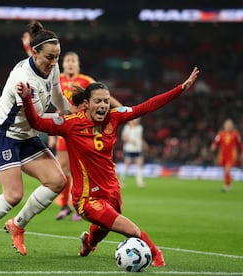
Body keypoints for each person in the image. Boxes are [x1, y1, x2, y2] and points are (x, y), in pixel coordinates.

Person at [17, 67, 200, 266]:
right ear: (86, 104)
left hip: (112, 192)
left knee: (102, 228)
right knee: (132, 231)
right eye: (98, 101)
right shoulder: (70, 124)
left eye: (106, 100)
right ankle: (155, 254)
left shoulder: (115, 117)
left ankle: (88, 243)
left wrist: (181, 88)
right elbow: (37, 122)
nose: (103, 105)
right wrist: (27, 98)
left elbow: (146, 106)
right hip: (87, 198)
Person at [0, 21, 71, 262]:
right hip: (3, 136)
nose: (54, 63)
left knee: (57, 181)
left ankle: (17, 225)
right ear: (34, 52)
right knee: (13, 195)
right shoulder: (23, 79)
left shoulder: (52, 69)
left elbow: (59, 100)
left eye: (57, 57)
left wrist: (76, 115)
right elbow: (37, 121)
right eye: (49, 57)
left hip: (25, 135)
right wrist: (67, 124)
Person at [24, 34, 123, 221]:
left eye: (73, 61)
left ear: (78, 64)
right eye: (67, 61)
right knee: (62, 168)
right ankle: (65, 205)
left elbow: (104, 97)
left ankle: (84, 202)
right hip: (65, 129)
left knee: (83, 168)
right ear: (63, 64)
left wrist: (120, 108)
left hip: (83, 131)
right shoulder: (57, 78)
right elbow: (39, 72)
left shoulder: (86, 81)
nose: (70, 64)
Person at [210, 118, 243, 192]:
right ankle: (228, 184)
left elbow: (240, 144)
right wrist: (213, 146)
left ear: (232, 126)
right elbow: (216, 142)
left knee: (227, 169)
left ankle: (226, 186)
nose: (228, 126)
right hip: (222, 155)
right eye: (227, 125)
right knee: (226, 171)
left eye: (230, 125)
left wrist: (242, 152)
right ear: (224, 126)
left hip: (231, 155)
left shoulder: (235, 134)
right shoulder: (221, 134)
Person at [119, 118, 149, 188]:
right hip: (129, 149)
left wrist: (144, 144)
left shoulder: (140, 128)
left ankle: (139, 182)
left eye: (138, 119)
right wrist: (131, 140)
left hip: (138, 149)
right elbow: (123, 137)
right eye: (136, 119)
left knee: (140, 164)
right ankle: (121, 181)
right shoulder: (127, 127)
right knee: (127, 164)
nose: (137, 120)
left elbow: (140, 138)